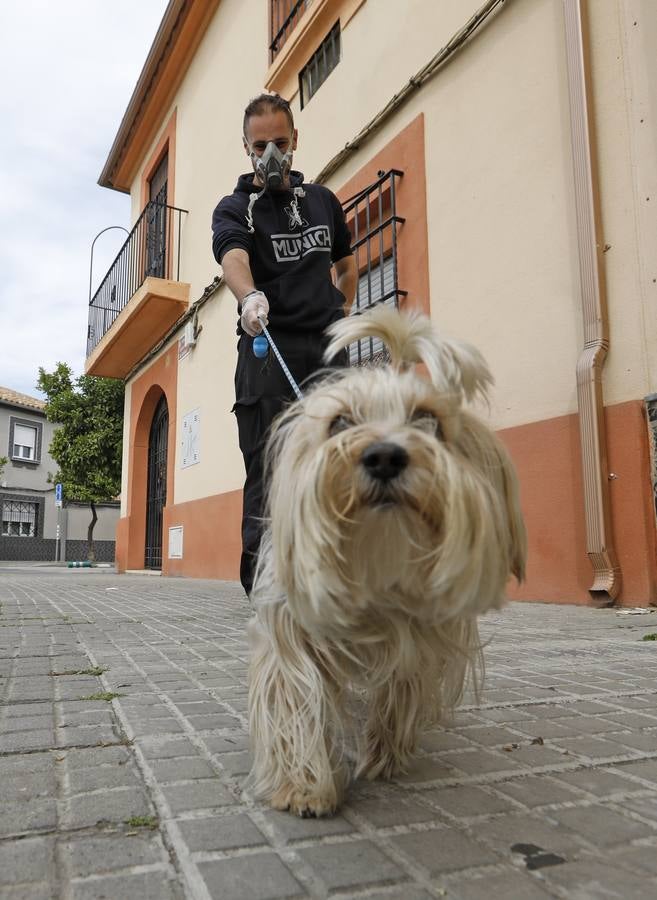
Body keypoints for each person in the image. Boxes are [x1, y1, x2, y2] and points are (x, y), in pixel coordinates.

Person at [211, 93, 357, 597]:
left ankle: (335, 581)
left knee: (338, 461)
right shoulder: (235, 208)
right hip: (266, 347)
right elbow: (233, 257)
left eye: (279, 141)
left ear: (295, 140)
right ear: (246, 148)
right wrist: (249, 296)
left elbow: (346, 263)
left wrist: (341, 312)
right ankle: (265, 587)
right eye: (259, 146)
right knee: (268, 467)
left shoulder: (323, 201)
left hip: (326, 350)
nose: (270, 153)